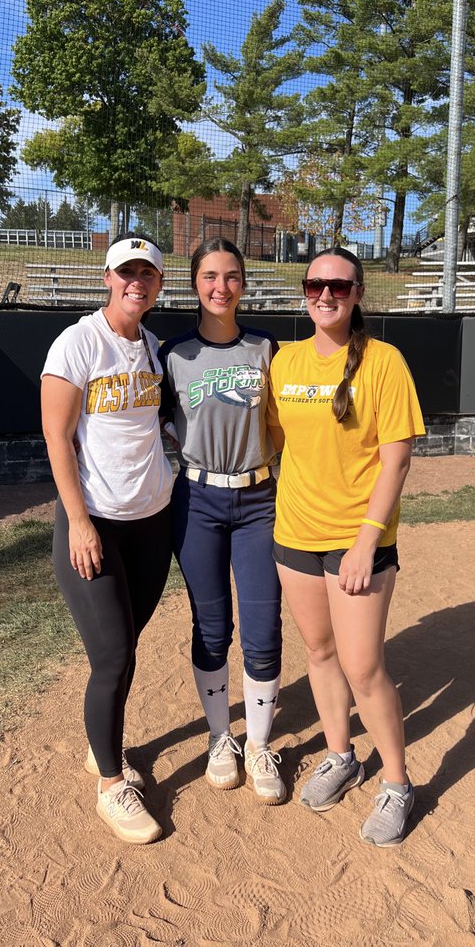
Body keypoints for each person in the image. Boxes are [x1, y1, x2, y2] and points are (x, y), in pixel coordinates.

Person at [268, 247, 426, 847]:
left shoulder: (384, 362)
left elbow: (397, 459)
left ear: (358, 293)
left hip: (358, 540)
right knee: (320, 651)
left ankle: (397, 784)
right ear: (304, 291)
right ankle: (341, 755)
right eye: (314, 284)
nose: (325, 295)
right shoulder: (284, 362)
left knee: (364, 666)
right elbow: (274, 438)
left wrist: (365, 542)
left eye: (338, 285)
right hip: (295, 535)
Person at [41, 233, 173, 845]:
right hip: (93, 525)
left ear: (158, 283)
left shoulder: (152, 347)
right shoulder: (77, 343)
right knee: (114, 654)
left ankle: (102, 748)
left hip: (151, 525)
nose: (135, 282)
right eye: (126, 272)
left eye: (146, 272)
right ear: (107, 277)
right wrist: (79, 522)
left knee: (124, 646)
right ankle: (111, 783)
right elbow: (57, 438)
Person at [158, 238, 286, 805]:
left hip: (259, 501)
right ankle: (219, 737)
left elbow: (284, 425)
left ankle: (258, 744)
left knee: (263, 633)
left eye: (231, 276)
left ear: (243, 283)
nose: (221, 286)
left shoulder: (266, 348)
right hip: (198, 500)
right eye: (209, 276)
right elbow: (149, 425)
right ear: (194, 283)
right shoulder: (173, 355)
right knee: (212, 629)